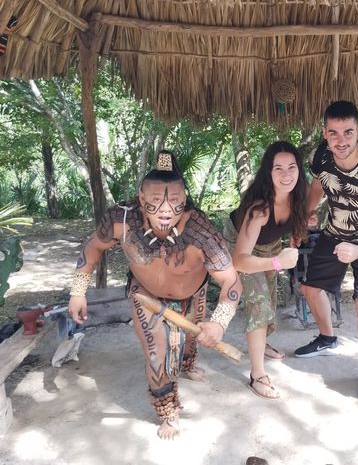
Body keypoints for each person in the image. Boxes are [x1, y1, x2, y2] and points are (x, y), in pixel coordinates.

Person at [68, 150, 241, 440]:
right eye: (155, 200)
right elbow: (93, 247)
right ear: (139, 197)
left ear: (184, 199)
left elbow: (232, 282)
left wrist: (219, 322)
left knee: (190, 342)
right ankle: (168, 410)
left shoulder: (200, 231)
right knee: (155, 353)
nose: (164, 209)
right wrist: (77, 292)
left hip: (193, 294)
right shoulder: (121, 221)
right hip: (144, 295)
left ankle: (188, 363)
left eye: (174, 201)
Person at [294, 100, 358, 401]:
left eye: (348, 133)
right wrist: (303, 217)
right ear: (325, 133)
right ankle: (327, 337)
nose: (341, 141)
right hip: (334, 232)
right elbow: (317, 186)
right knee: (310, 289)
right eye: (334, 133)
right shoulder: (321, 156)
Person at [223, 141, 308, 399]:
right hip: (239, 248)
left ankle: (260, 343)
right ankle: (257, 374)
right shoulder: (259, 209)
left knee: (270, 296)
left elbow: (297, 228)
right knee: (259, 303)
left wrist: (295, 237)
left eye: (292, 167)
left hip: (270, 246)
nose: (286, 174)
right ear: (268, 173)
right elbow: (239, 260)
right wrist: (276, 262)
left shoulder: (298, 198)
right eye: (278, 168)